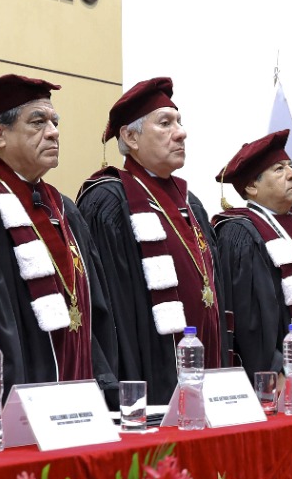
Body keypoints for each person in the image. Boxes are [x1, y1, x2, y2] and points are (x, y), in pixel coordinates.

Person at [0, 75, 117, 399]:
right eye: (38, 122)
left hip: (79, 402)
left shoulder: (66, 211)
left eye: (54, 122)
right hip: (10, 406)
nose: (53, 131)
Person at [78, 78, 222, 405]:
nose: (181, 132)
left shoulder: (192, 204)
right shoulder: (110, 201)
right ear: (130, 136)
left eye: (179, 122)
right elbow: (111, 307)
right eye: (165, 123)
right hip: (148, 378)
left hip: (206, 368)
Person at [212, 130, 292, 376]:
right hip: (279, 383)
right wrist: (273, 372)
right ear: (251, 186)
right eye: (279, 169)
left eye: (290, 166)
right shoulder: (240, 233)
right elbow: (249, 319)